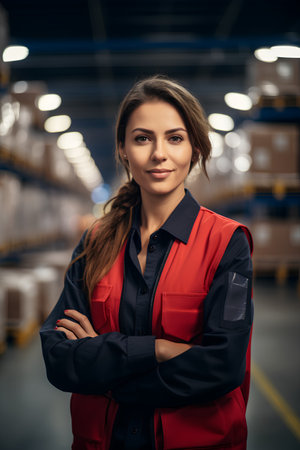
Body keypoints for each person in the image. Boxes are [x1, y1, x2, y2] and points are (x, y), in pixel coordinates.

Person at [40, 75, 253, 450]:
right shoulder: (95, 241)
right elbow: (59, 358)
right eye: (142, 138)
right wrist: (158, 349)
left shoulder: (225, 243)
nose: (159, 153)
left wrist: (106, 366)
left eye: (175, 138)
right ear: (123, 149)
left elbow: (223, 367)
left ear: (196, 148)